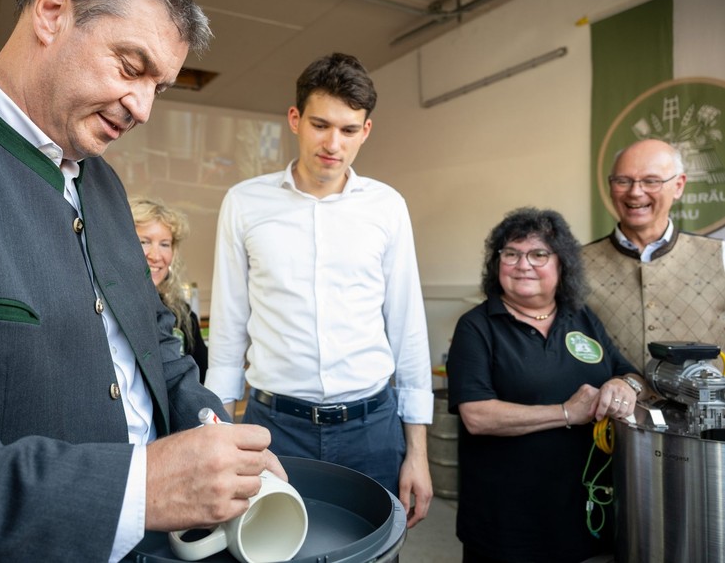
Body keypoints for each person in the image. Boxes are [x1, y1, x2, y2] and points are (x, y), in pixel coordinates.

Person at [0, 0, 284, 561]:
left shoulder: (103, 184)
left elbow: (155, 341)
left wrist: (213, 432)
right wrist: (136, 491)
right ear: (53, 12)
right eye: (131, 67)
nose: (143, 108)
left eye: (157, 87)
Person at [206, 52, 433, 527]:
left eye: (349, 130)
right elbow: (227, 336)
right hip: (277, 428)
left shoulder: (386, 207)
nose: (333, 143)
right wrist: (219, 441)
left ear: (365, 131)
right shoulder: (245, 203)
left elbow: (408, 330)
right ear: (295, 119)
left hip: (373, 428)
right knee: (270, 553)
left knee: (374, 555)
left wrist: (418, 454)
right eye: (320, 124)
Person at [446, 207, 649, 563]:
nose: (523, 264)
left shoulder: (581, 317)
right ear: (497, 264)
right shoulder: (477, 327)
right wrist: (568, 412)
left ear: (562, 264)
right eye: (511, 253)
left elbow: (629, 372)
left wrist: (624, 386)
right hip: (508, 522)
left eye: (538, 254)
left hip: (582, 510)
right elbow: (477, 416)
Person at [583, 139, 725, 372]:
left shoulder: (720, 256)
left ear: (678, 186)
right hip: (608, 408)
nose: (635, 192)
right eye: (622, 181)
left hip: (706, 407)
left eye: (651, 181)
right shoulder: (575, 263)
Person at [131, 197, 209, 383]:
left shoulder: (182, 315)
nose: (156, 256)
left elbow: (200, 380)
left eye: (165, 244)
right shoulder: (100, 311)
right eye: (144, 242)